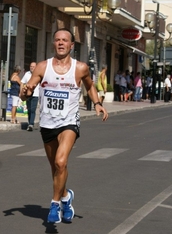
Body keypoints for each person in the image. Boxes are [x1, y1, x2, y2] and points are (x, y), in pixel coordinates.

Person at [20, 28, 108, 224]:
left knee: (61, 162)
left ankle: (54, 204)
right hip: (47, 122)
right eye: (57, 40)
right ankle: (67, 197)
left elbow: (90, 86)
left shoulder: (80, 68)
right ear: (54, 43)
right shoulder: (43, 67)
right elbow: (26, 93)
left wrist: (97, 103)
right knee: (56, 168)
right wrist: (25, 91)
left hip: (69, 121)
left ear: (71, 45)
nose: (61, 43)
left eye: (64, 40)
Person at [21, 62, 39, 131]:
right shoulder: (27, 74)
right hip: (28, 95)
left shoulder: (38, 74)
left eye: (33, 66)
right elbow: (22, 82)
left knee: (33, 110)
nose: (32, 68)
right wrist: (21, 92)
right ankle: (29, 123)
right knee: (29, 109)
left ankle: (31, 124)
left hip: (35, 95)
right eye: (31, 66)